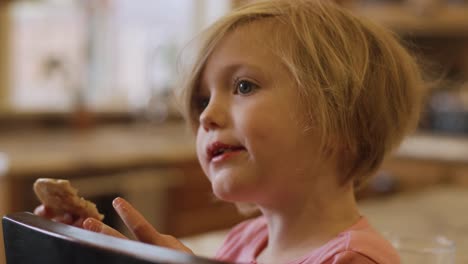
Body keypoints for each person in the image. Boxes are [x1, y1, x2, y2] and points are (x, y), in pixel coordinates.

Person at [35, 0, 424, 263]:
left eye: (243, 86)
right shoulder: (245, 241)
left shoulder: (352, 260)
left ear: (343, 120)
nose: (207, 116)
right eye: (203, 99)